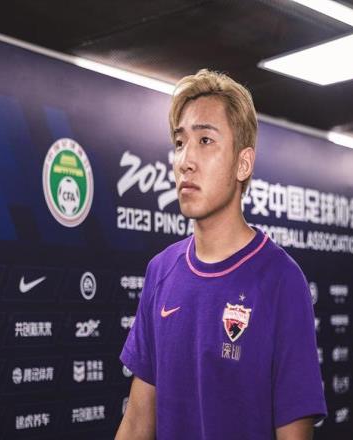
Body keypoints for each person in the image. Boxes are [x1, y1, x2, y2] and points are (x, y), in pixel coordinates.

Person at [115, 69, 327, 439]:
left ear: (243, 164)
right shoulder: (161, 272)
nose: (185, 160)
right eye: (179, 143)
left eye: (205, 140)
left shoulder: (282, 281)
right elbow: (136, 423)